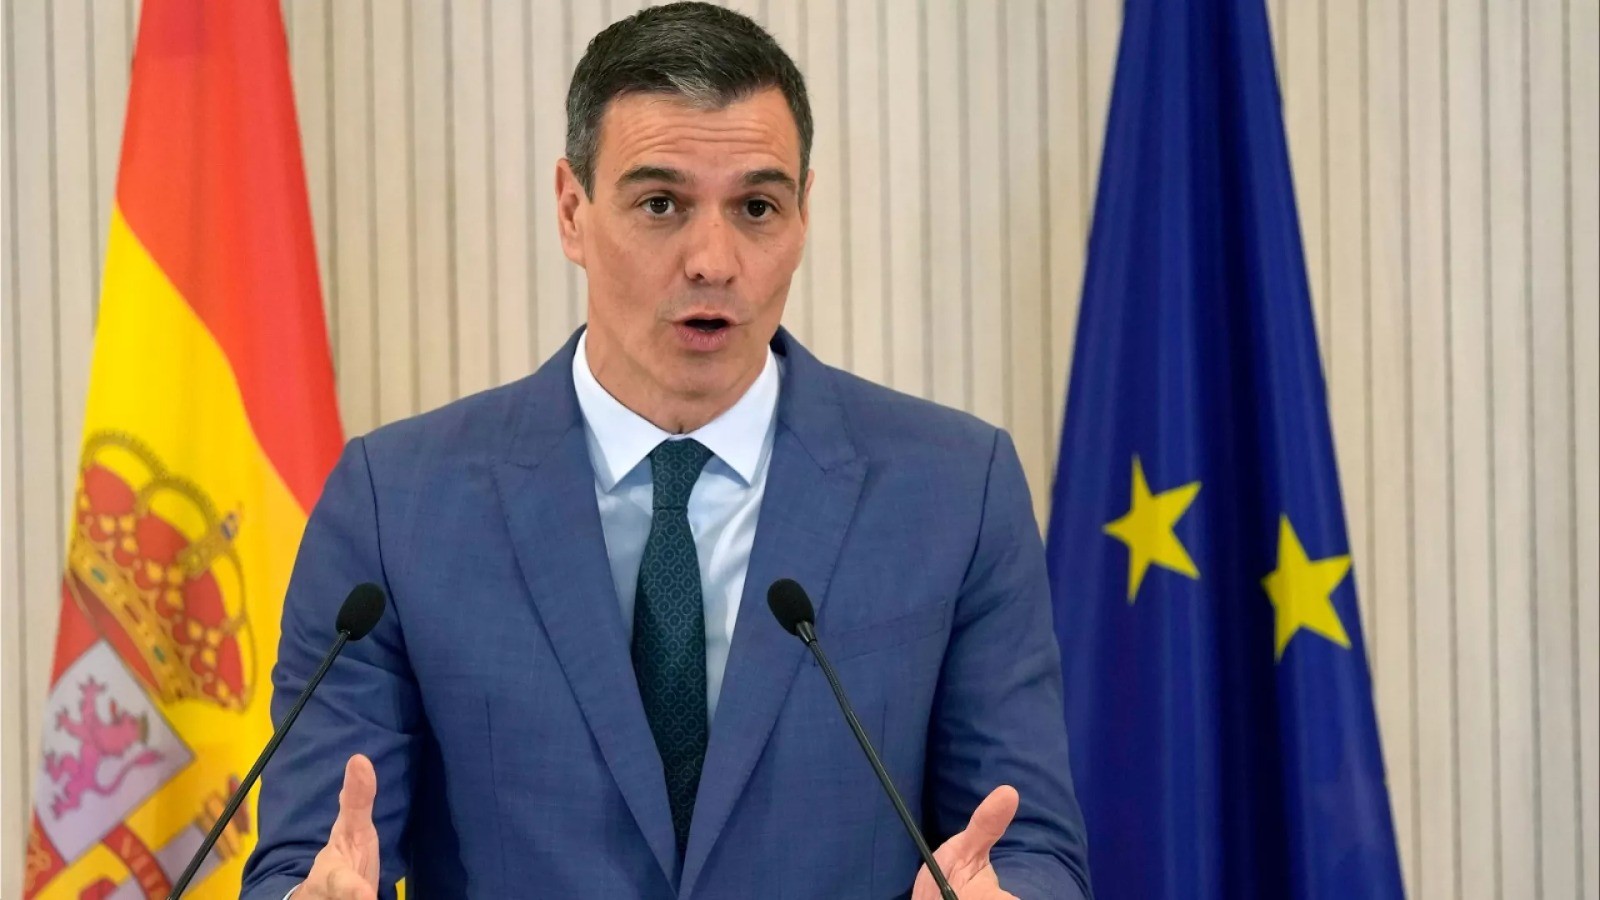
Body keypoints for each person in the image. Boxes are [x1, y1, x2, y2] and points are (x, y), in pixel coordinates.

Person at [241, 4, 1091, 898]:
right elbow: (306, 860)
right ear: (572, 211)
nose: (713, 259)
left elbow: (1026, 845)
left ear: (804, 215)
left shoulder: (953, 493)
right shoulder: (396, 505)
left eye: (757, 207)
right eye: (661, 204)